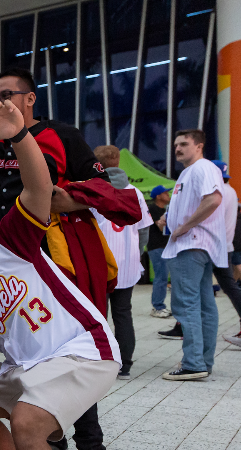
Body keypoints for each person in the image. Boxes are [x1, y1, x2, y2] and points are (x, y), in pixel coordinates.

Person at [0, 94, 120, 449]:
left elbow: (38, 189)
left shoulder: (5, 242)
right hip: (23, 367)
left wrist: (19, 137)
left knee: (28, 422)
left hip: (80, 350)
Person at [159, 129, 226, 381]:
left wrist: (184, 227)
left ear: (199, 145)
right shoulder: (189, 172)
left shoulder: (202, 168)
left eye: (184, 143)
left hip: (191, 244)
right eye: (176, 144)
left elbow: (213, 200)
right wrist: (170, 219)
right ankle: (202, 361)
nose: (178, 148)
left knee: (186, 304)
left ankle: (194, 362)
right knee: (204, 305)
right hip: (195, 245)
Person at [92, 145, 153, 380]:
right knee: (123, 314)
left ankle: (101, 360)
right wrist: (135, 254)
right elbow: (144, 230)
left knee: (98, 315)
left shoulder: (95, 191)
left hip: (101, 265)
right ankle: (125, 364)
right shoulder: (135, 193)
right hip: (127, 265)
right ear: (118, 162)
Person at [209, 160, 241, 347]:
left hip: (213, 246)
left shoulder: (217, 190)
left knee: (198, 289)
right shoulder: (231, 190)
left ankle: (187, 327)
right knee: (230, 287)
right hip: (225, 246)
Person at [147, 185, 172, 318]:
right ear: (158, 196)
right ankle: (157, 307)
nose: (168, 195)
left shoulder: (165, 209)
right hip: (157, 246)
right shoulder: (152, 209)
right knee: (161, 277)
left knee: (164, 277)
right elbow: (160, 224)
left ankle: (159, 305)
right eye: (165, 193)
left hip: (166, 246)